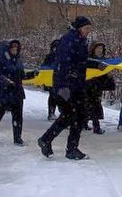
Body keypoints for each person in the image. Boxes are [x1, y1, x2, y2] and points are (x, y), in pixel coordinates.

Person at [36, 17, 94, 160]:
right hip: (68, 85)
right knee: (74, 116)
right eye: (87, 28)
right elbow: (62, 63)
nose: (88, 31)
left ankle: (48, 140)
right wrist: (63, 86)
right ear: (79, 28)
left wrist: (95, 64)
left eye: (89, 29)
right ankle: (69, 148)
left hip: (77, 84)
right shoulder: (69, 40)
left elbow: (81, 62)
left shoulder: (80, 40)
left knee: (74, 116)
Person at [0, 40, 27, 145]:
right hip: (3, 92)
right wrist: (6, 81)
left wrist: (33, 74)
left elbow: (22, 75)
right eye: (12, 48)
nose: (15, 50)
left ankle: (17, 138)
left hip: (16, 91)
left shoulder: (17, 60)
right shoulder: (0, 60)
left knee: (18, 116)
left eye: (16, 48)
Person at [85, 42, 115, 133]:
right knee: (89, 105)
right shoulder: (89, 60)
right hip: (88, 85)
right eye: (98, 48)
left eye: (101, 49)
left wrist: (109, 75)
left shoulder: (104, 61)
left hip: (97, 86)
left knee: (94, 105)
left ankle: (91, 125)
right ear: (93, 49)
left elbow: (105, 73)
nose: (100, 50)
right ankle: (93, 126)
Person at [41, 39, 60, 121]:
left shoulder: (64, 56)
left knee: (60, 97)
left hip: (60, 80)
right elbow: (44, 67)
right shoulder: (49, 56)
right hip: (51, 80)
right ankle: (51, 113)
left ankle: (58, 113)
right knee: (53, 96)